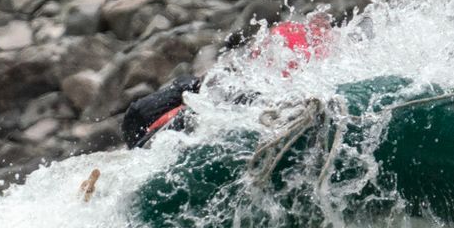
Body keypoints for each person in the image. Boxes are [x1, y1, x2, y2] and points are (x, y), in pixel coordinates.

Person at [122, 19, 333, 149]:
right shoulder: (253, 73)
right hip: (215, 98)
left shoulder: (283, 69)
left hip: (210, 109)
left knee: (184, 111)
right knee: (140, 115)